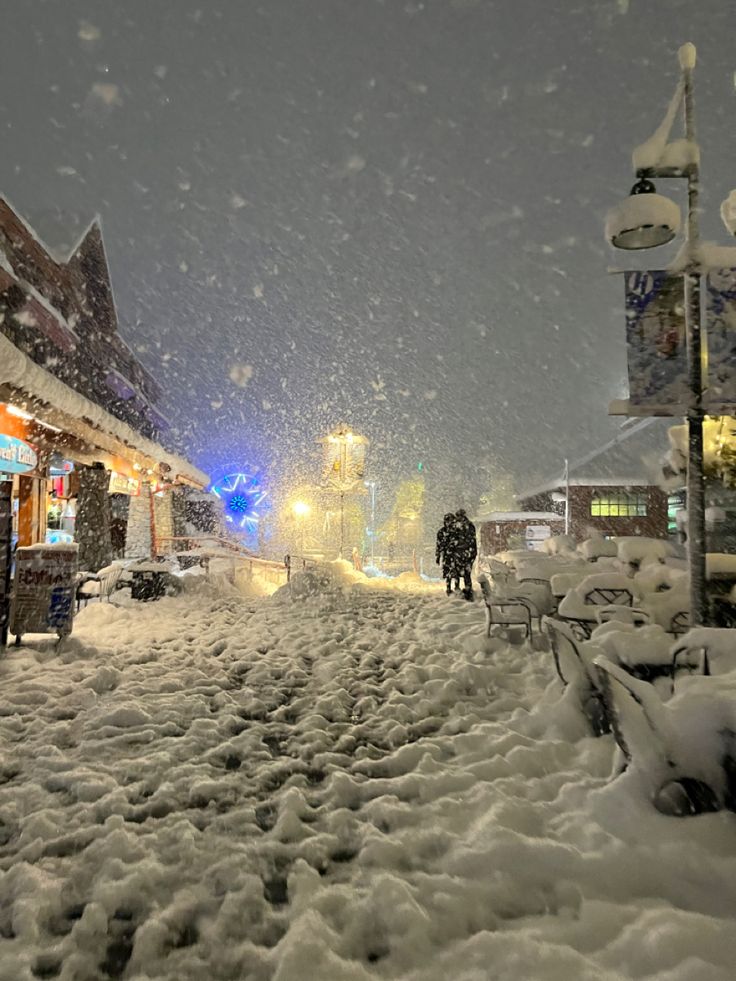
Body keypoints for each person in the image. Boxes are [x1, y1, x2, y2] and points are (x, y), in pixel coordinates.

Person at [454, 509, 477, 601]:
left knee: (463, 573)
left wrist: (458, 546)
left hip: (465, 553)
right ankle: (466, 591)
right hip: (467, 553)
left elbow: (468, 540)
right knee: (464, 573)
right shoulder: (467, 525)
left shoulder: (465, 526)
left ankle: (465, 591)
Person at [435, 513, 459, 595]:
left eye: (452, 521)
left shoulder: (456, 531)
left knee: (456, 572)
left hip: (456, 554)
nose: (450, 523)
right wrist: (438, 556)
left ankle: (457, 587)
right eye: (448, 521)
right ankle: (448, 588)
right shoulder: (441, 532)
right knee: (448, 572)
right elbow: (438, 545)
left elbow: (459, 542)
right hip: (446, 555)